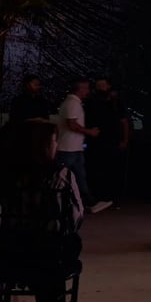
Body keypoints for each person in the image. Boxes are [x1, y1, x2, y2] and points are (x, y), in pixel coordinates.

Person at [0, 119, 85, 302]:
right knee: (64, 246)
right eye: (54, 140)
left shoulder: (6, 177)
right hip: (51, 257)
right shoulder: (62, 176)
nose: (57, 145)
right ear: (44, 145)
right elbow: (76, 218)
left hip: (12, 253)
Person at [56, 78, 112, 214]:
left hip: (74, 148)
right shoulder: (72, 104)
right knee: (62, 177)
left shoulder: (73, 103)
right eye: (86, 88)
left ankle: (89, 202)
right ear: (80, 89)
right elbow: (72, 124)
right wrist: (89, 131)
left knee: (79, 177)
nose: (88, 91)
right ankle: (57, 204)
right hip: (68, 148)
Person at [84, 77, 131, 208]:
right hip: (96, 141)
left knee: (113, 170)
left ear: (109, 86)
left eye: (102, 85)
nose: (100, 88)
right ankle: (98, 197)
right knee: (97, 169)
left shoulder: (116, 103)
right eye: (98, 86)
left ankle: (113, 198)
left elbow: (124, 122)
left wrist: (125, 139)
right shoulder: (92, 102)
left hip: (113, 141)